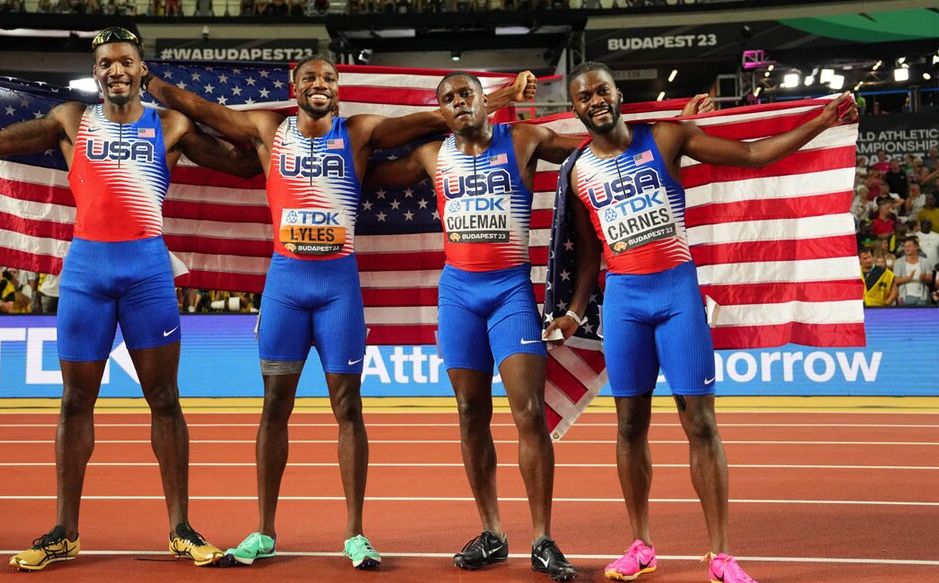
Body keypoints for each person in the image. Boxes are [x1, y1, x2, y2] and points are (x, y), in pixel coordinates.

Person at [145, 57, 534, 569]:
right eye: (310, 78)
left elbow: (432, 119)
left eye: (328, 79)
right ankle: (263, 531)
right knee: (273, 407)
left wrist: (498, 100)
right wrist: (147, 82)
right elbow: (203, 109)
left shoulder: (359, 133)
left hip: (338, 289)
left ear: (338, 88)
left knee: (349, 408)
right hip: (286, 285)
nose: (319, 85)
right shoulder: (268, 128)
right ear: (295, 87)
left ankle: (355, 534)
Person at [0, 26, 262, 572]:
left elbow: (246, 163)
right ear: (96, 74)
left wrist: (187, 100)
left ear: (142, 70)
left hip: (147, 275)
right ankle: (65, 531)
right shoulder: (73, 119)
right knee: (74, 403)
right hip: (87, 274)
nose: (116, 70)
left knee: (164, 399)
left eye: (126, 62)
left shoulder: (172, 124)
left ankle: (182, 529)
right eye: (106, 63)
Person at [365, 72, 712, 582]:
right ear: (439, 109)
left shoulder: (524, 140)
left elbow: (599, 138)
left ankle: (543, 538)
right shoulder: (431, 155)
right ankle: (492, 532)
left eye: (467, 94)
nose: (459, 103)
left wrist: (679, 118)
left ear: (487, 100)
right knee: (469, 412)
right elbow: (367, 162)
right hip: (458, 294)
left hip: (509, 292)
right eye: (448, 99)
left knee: (528, 412)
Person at [542, 61, 858, 583]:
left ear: (619, 94)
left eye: (602, 91)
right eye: (583, 97)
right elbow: (589, 256)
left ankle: (721, 555)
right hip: (624, 303)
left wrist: (820, 122)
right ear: (575, 108)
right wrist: (576, 311)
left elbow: (754, 155)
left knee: (700, 424)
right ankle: (640, 545)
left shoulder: (666, 139)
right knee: (628, 427)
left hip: (676, 298)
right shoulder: (576, 172)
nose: (594, 101)